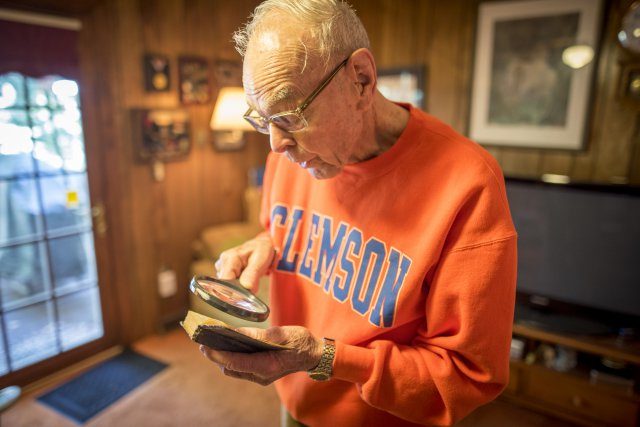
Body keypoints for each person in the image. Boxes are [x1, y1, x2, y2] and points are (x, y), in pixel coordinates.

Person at [200, 1, 518, 425]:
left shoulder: (469, 184)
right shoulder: (296, 152)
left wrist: (326, 358)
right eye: (262, 120)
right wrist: (263, 245)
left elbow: (464, 378)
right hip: (292, 400)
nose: (275, 144)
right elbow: (280, 226)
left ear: (361, 81)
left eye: (290, 115)